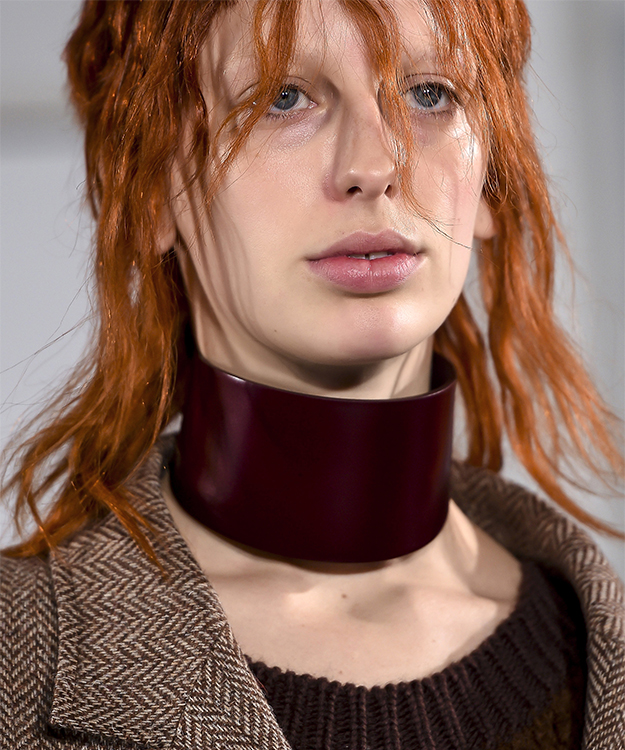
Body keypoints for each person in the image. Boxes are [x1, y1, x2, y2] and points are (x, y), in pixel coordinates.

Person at [1, 0, 623, 748]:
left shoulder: (597, 646)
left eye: (430, 93)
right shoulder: (15, 659)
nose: (376, 166)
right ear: (150, 190)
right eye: (282, 96)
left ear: (491, 176)